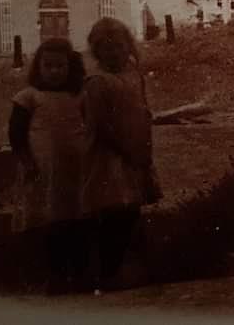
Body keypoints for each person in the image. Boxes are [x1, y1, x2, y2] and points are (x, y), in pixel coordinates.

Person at [81, 17, 161, 292]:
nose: (113, 53)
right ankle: (107, 273)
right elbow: (101, 125)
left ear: (128, 46)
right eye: (106, 48)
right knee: (114, 210)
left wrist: (144, 147)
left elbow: (143, 111)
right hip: (111, 155)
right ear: (96, 51)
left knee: (131, 207)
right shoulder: (96, 82)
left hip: (135, 151)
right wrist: (127, 150)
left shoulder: (133, 75)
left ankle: (123, 271)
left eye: (118, 47)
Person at [8, 38, 88, 295]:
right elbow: (16, 134)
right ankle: (47, 277)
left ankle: (74, 276)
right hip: (42, 170)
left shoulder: (78, 96)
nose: (54, 71)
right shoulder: (29, 97)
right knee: (44, 220)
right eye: (48, 65)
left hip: (73, 169)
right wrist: (27, 161)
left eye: (60, 66)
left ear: (70, 66)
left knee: (74, 219)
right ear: (38, 67)